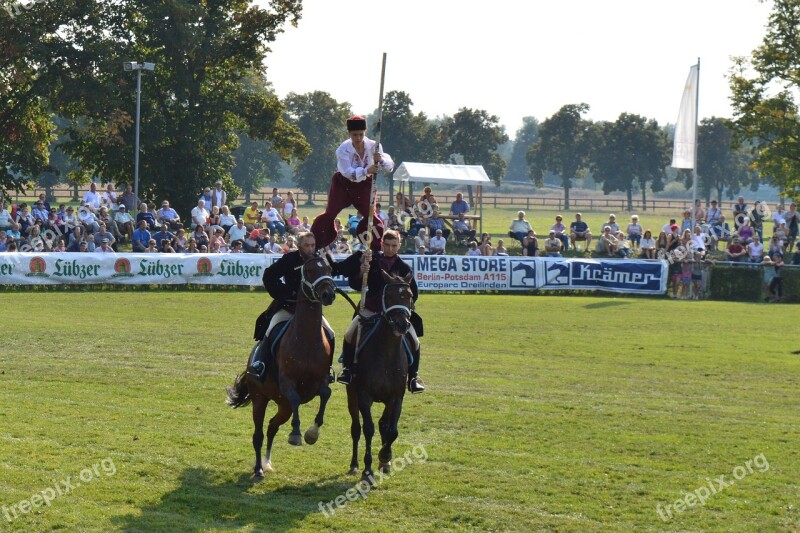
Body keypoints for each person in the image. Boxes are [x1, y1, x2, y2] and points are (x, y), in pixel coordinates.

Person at [333, 230, 424, 393]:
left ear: (399, 246)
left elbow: (414, 293)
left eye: (394, 246)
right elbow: (355, 284)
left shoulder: (404, 268)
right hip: (371, 308)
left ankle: (413, 377)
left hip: (395, 314)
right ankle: (347, 369)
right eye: (387, 245)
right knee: (349, 334)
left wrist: (402, 308)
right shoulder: (371, 261)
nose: (390, 249)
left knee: (415, 341)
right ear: (382, 244)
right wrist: (362, 271)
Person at [248, 232, 335, 381]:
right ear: (299, 245)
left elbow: (327, 278)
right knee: (269, 331)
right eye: (307, 245)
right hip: (289, 308)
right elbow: (269, 276)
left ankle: (326, 370)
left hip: (312, 311)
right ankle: (260, 364)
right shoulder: (289, 259)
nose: (310, 248)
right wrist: (286, 293)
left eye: (312, 245)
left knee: (331, 334)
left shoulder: (318, 261)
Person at [311, 115, 393, 252]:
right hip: (343, 184)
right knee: (330, 214)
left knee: (371, 217)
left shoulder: (375, 146)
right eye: (355, 135)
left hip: (365, 185)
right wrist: (367, 170)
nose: (358, 138)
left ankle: (375, 249)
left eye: (361, 134)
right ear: (349, 134)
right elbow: (348, 172)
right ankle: (314, 245)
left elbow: (389, 167)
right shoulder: (342, 150)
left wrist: (381, 160)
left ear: (365, 133)